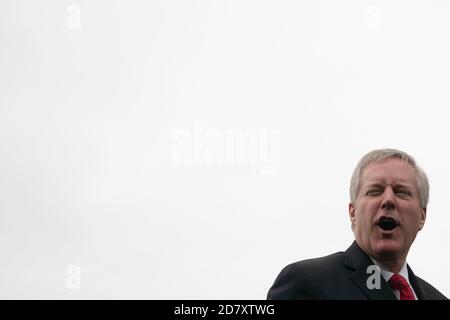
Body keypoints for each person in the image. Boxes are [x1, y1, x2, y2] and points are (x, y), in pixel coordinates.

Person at [267, 148, 447, 300]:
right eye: (375, 191)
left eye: (401, 192)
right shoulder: (307, 282)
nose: (388, 200)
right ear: (353, 213)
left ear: (422, 216)